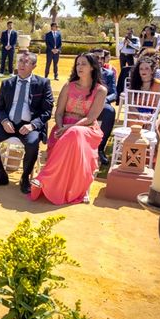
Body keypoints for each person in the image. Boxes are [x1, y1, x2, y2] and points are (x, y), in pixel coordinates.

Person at [31, 53, 107, 205]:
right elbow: (58, 112)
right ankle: (51, 182)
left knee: (75, 133)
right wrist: (60, 128)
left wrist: (70, 128)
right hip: (62, 127)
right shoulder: (69, 86)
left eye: (83, 64)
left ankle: (43, 178)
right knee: (71, 134)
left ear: (92, 67)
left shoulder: (100, 90)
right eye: (78, 64)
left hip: (86, 128)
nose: (79, 67)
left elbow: (91, 118)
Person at [0, 52, 53, 194]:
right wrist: (4, 121)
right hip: (9, 124)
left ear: (34, 66)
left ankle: (25, 178)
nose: (21, 64)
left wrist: (32, 125)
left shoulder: (43, 84)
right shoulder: (7, 83)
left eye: (26, 62)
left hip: (30, 126)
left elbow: (47, 111)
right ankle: (1, 174)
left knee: (32, 144)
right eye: (20, 61)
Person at [90, 49, 116, 165]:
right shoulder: (83, 72)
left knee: (109, 111)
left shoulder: (109, 74)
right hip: (85, 103)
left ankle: (100, 148)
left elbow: (114, 94)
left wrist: (103, 99)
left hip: (102, 104)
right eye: (96, 57)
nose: (99, 60)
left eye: (102, 58)